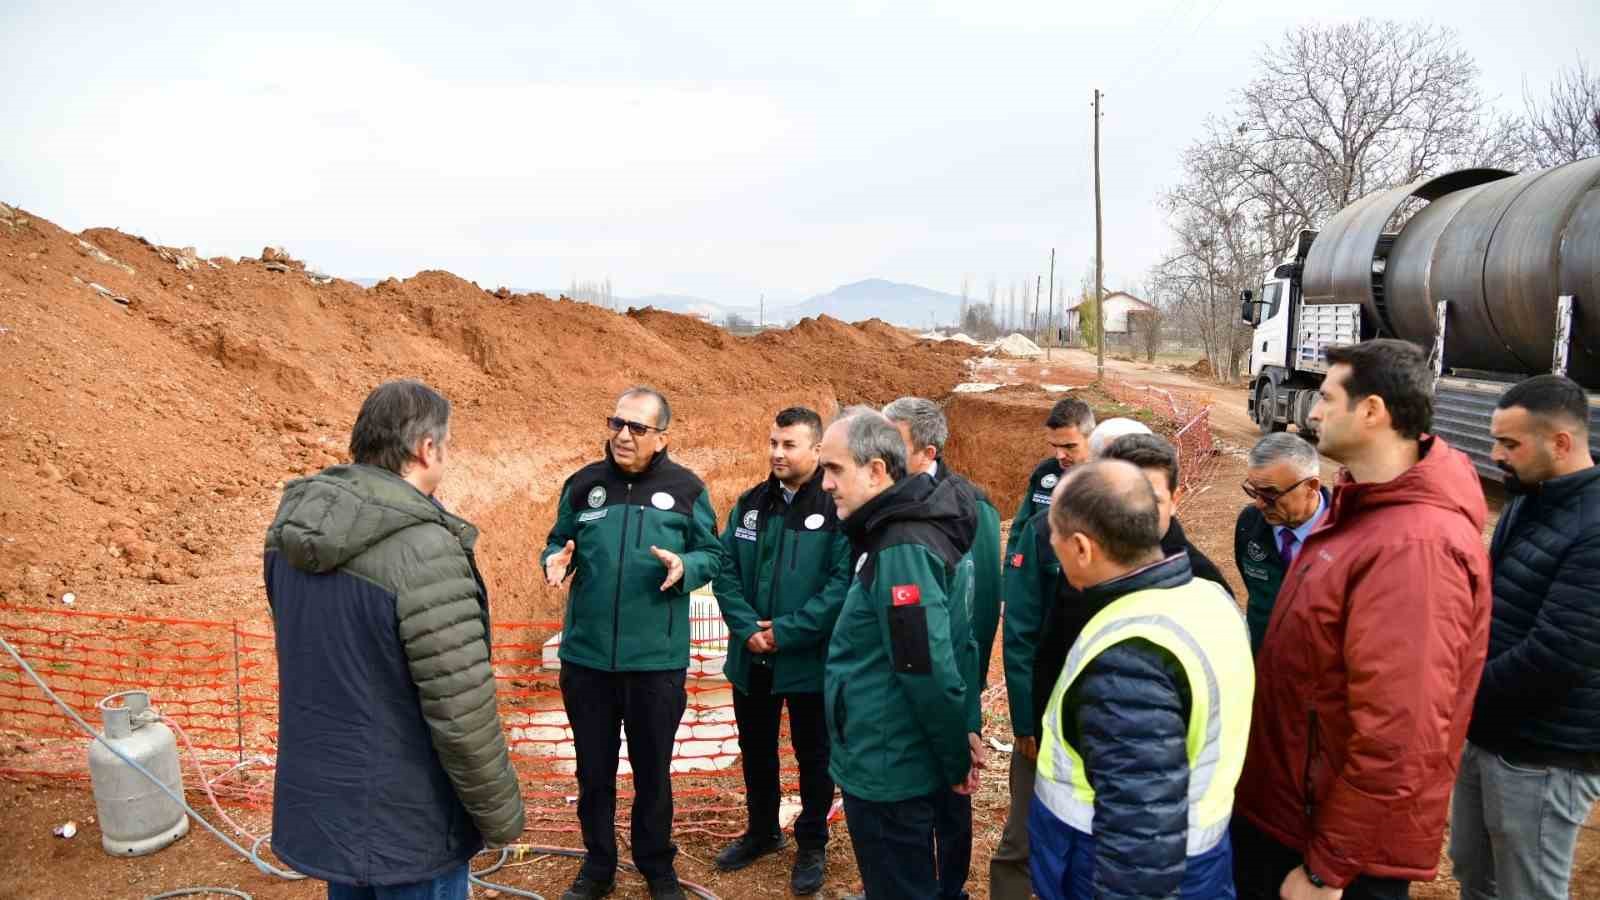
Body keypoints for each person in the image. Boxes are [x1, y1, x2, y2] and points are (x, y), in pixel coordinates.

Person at [1232, 339, 1492, 900]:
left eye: (1326, 397)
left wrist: (1329, 868)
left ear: (1372, 411)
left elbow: (1400, 734)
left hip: (1331, 849)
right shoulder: (1363, 512)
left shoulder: (1415, 547)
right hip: (1293, 816)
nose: (1314, 411)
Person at [264, 380, 524, 900]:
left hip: (329, 808)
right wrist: (503, 818)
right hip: (410, 821)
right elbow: (462, 711)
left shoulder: (288, 532)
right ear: (426, 448)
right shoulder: (427, 552)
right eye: (444, 447)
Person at [1030, 460, 1253, 899]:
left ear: (1081, 547)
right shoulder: (1206, 596)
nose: (1051, 546)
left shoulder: (1130, 656)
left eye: (1053, 536)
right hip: (1197, 859)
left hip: (1118, 870)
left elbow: (1141, 834)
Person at [541, 387, 726, 900]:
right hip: (587, 660)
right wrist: (555, 559)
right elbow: (559, 540)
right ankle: (598, 866)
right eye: (617, 423)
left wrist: (687, 567)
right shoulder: (583, 485)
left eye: (637, 428)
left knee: (653, 774)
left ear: (660, 436)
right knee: (593, 773)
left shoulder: (686, 489)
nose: (623, 435)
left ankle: (656, 866)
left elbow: (713, 553)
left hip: (656, 663)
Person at [820, 407, 982, 900]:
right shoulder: (901, 527)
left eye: (834, 469)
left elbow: (925, 667)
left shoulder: (900, 548)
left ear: (875, 471)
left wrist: (957, 759)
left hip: (890, 764)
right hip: (896, 752)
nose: (825, 483)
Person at [1450, 374, 1600, 900]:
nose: (1494, 455)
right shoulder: (1530, 499)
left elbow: (1558, 654)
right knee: (1473, 870)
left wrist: (1458, 692)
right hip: (1489, 730)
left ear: (1561, 443)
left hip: (1544, 755)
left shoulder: (1593, 526)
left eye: (1509, 443)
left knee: (1527, 890)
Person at [1027, 431, 1234, 784]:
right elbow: (1051, 657)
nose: (1131, 514)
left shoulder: (1204, 585)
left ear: (1175, 498)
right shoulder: (1085, 569)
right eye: (1120, 499)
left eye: (1148, 498)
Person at [711, 406, 851, 896]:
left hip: (807, 660)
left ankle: (813, 840)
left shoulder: (836, 508)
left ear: (816, 450)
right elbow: (724, 568)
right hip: (752, 658)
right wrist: (747, 627)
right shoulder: (751, 504)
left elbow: (841, 585)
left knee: (814, 754)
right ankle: (763, 831)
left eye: (789, 445)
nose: (777, 452)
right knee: (757, 749)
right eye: (773, 442)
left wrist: (787, 631)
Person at [883, 396, 1002, 900]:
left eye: (893, 444)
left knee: (951, 797)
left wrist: (965, 697)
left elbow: (982, 603)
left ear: (927, 452)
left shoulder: (971, 508)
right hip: (893, 687)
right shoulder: (879, 504)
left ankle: (950, 889)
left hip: (950, 676)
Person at [992, 395, 1094, 899]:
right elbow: (1022, 545)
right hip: (1046, 682)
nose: (1062, 456)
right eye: (1055, 446)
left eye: (1071, 446)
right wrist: (1026, 719)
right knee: (1023, 830)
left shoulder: (1114, 494)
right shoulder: (1045, 480)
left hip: (1093, 696)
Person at [1234, 433, 1329, 653]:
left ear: (1311, 487)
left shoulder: (1348, 535)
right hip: (1264, 671)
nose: (1259, 504)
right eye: (1254, 491)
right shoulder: (1249, 524)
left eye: (1270, 494)